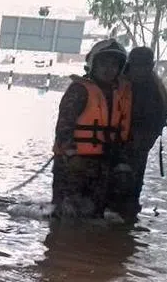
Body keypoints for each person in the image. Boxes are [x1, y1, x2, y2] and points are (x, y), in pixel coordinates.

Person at [50, 39, 132, 219]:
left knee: (94, 216)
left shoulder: (119, 95)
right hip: (73, 164)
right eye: (104, 63)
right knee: (65, 216)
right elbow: (64, 126)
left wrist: (122, 163)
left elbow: (120, 133)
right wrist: (71, 154)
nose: (108, 69)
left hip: (102, 165)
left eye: (114, 65)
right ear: (93, 64)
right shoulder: (79, 90)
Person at [112, 47, 167, 221]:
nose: (139, 71)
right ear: (130, 65)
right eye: (136, 66)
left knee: (130, 195)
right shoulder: (117, 82)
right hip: (110, 146)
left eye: (143, 66)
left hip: (137, 149)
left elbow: (155, 124)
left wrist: (137, 147)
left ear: (150, 66)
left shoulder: (155, 92)